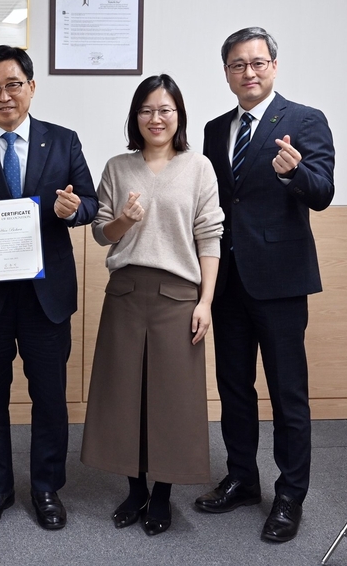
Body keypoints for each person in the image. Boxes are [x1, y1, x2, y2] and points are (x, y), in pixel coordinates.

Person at [0, 45, 98, 530]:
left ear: (31, 86)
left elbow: (90, 203)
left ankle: (47, 488)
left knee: (50, 396)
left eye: (13, 84)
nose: (4, 95)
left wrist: (76, 212)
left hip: (46, 298)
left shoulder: (63, 141)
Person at [196, 27, 335, 542]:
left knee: (287, 393)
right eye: (237, 64)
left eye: (257, 62)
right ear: (227, 72)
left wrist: (291, 175)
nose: (248, 72)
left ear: (274, 65)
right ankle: (241, 479)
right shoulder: (214, 129)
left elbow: (322, 192)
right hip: (226, 281)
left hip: (279, 282)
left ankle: (290, 495)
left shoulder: (304, 120)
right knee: (234, 388)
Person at [81, 74, 222, 536]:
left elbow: (210, 237)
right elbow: (102, 232)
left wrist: (206, 302)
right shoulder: (118, 167)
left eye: (165, 110)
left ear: (178, 116)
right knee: (123, 395)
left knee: (171, 401)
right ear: (134, 117)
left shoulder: (198, 167)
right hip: (125, 292)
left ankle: (161, 494)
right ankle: (134, 489)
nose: (155, 118)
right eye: (146, 110)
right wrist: (124, 219)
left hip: (179, 297)